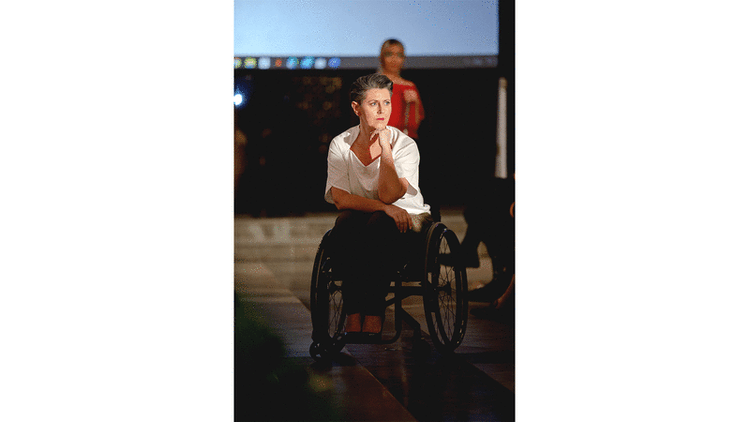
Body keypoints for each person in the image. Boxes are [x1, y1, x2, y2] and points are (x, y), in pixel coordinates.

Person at [324, 73, 432, 337]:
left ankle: (374, 312)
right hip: (368, 217)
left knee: (380, 223)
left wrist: (386, 149)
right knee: (346, 221)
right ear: (356, 108)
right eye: (374, 104)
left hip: (408, 219)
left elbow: (389, 194)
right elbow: (340, 199)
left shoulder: (405, 145)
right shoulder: (341, 144)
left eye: (387, 103)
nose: (383, 110)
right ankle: (353, 312)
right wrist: (383, 208)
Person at [377, 39, 441, 221]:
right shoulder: (375, 84)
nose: (394, 59)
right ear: (382, 57)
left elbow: (416, 122)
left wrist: (414, 103)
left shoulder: (409, 86)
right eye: (389, 54)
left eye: (399, 55)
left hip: (407, 143)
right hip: (383, 144)